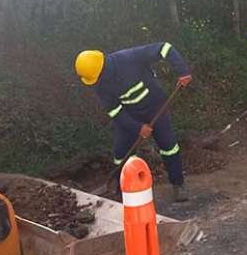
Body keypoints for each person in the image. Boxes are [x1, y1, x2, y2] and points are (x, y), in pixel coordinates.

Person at [74, 44, 193, 202]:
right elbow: (115, 111)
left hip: (155, 107)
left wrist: (182, 71)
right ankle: (125, 188)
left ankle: (178, 184)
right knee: (121, 153)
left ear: (102, 67)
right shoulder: (100, 84)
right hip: (129, 115)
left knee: (169, 146)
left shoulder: (130, 58)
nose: (96, 81)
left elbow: (165, 48)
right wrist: (137, 127)